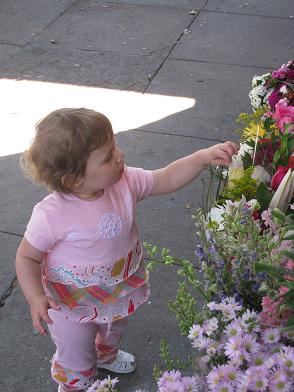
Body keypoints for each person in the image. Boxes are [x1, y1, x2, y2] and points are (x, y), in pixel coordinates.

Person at [15, 107, 239, 392]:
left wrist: (202, 158)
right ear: (74, 180)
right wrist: (36, 297)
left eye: (115, 145)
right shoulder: (52, 214)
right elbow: (27, 257)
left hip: (117, 290)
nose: (120, 155)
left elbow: (166, 177)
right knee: (76, 351)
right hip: (70, 302)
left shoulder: (125, 182)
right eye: (108, 156)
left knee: (113, 330)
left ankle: (106, 355)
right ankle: (76, 384)